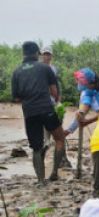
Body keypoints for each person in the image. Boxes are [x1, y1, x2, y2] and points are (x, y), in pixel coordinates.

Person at [11, 41, 65, 184]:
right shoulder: (45, 68)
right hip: (47, 109)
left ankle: (41, 181)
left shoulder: (16, 72)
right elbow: (54, 93)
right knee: (60, 138)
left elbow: (16, 98)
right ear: (37, 54)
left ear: (23, 54)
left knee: (36, 147)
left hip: (29, 112)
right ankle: (54, 173)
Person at [40, 45, 72, 168]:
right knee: (52, 134)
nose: (46, 56)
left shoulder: (53, 69)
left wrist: (59, 99)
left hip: (53, 104)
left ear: (51, 56)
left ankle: (59, 159)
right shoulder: (40, 69)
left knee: (57, 133)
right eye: (45, 54)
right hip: (44, 104)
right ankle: (51, 158)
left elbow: (56, 85)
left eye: (48, 54)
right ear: (41, 55)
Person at [65, 68, 99, 135]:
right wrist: (81, 112)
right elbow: (86, 100)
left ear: (92, 83)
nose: (86, 89)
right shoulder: (91, 88)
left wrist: (88, 121)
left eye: (86, 87)